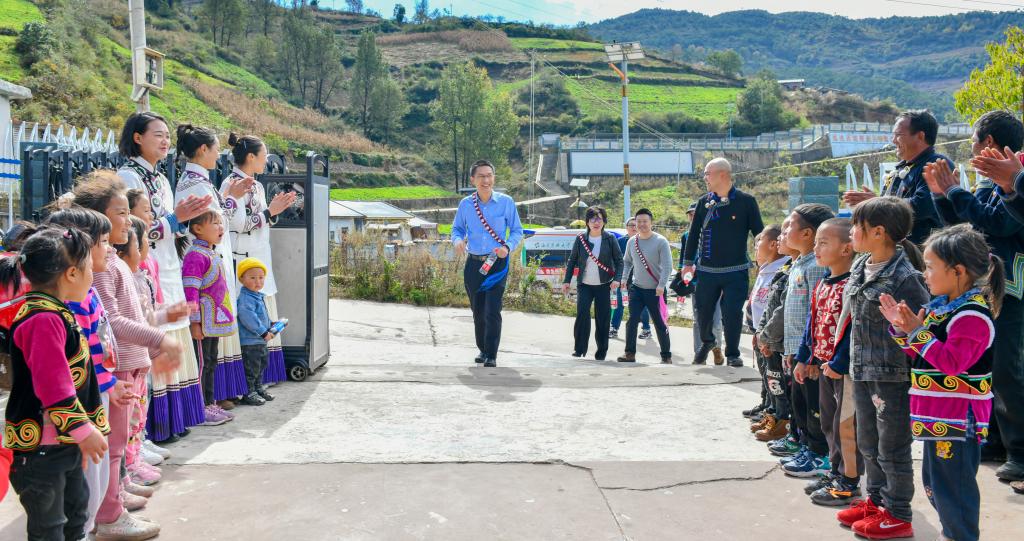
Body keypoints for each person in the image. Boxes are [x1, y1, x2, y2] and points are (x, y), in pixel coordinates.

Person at [72, 171, 183, 539]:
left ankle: (113, 498)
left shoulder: (113, 261)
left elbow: (132, 316)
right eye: (120, 213)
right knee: (114, 445)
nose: (129, 220)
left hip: (129, 364)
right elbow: (115, 321)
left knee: (120, 443)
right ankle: (109, 513)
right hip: (116, 368)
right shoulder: (104, 266)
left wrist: (155, 337)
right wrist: (160, 340)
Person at [879, 224, 1001, 541]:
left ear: (958, 271)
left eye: (931, 267)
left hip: (958, 417)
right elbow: (924, 357)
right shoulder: (943, 309)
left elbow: (952, 364)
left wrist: (917, 332)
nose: (925, 274)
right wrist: (904, 330)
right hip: (939, 415)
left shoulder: (972, 316)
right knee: (936, 484)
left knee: (954, 489)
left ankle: (960, 535)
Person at [924, 110, 1024, 488]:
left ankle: (1020, 451)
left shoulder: (1017, 176)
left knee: (1008, 370)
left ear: (989, 143)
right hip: (986, 287)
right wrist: (942, 195)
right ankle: (996, 438)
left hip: (1012, 288)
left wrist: (955, 191)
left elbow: (999, 224)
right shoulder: (990, 182)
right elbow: (968, 227)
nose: (970, 149)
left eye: (973, 142)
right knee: (986, 366)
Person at [2, 227, 110, 541]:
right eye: (88, 268)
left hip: (59, 444)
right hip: (41, 450)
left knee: (75, 518)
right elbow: (53, 385)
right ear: (71, 274)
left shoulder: (56, 313)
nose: (92, 275)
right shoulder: (43, 319)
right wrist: (82, 430)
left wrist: (77, 436)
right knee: (49, 529)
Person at [836, 196, 929, 541]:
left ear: (878, 232)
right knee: (868, 443)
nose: (851, 232)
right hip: (862, 369)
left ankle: (898, 513)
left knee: (892, 448)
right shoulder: (861, 265)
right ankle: (876, 503)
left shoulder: (906, 277)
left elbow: (920, 328)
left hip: (891, 376)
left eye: (856, 226)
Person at [117, 112, 211, 442]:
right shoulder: (128, 176)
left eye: (167, 135)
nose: (165, 140)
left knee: (174, 334)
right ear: (137, 137)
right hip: (146, 264)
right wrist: (174, 220)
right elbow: (132, 229)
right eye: (158, 134)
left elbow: (171, 224)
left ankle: (175, 419)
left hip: (168, 263)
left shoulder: (160, 178)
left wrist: (184, 221)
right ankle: (153, 428)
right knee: (155, 336)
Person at [174, 124, 252, 410]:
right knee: (205, 353)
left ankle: (213, 397)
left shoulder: (200, 181)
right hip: (204, 270)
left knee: (212, 352)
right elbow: (208, 223)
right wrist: (230, 198)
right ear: (203, 149)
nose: (219, 155)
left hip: (212, 263)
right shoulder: (194, 185)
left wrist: (229, 197)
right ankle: (206, 402)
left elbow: (217, 221)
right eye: (216, 149)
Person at [795, 218, 863, 507]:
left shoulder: (852, 285)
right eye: (815, 243)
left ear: (847, 248)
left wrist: (839, 362)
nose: (816, 249)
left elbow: (853, 330)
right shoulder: (824, 282)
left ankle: (849, 480)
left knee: (845, 426)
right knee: (828, 422)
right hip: (824, 366)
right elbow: (812, 324)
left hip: (843, 370)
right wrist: (804, 358)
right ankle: (835, 472)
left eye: (823, 243)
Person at [224, 133, 296, 387]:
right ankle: (246, 380)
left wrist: (273, 212)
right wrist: (269, 212)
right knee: (248, 314)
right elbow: (238, 224)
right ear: (251, 157)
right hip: (243, 259)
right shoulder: (232, 184)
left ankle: (264, 376)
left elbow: (262, 219)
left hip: (258, 255)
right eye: (264, 156)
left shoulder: (256, 185)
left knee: (262, 310)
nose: (266, 161)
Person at [682, 157, 764, 367]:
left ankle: (733, 354)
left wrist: (763, 260)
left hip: (736, 269)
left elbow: (759, 234)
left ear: (723, 175)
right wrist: (687, 263)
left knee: (732, 313)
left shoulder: (746, 201)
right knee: (703, 311)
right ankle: (708, 341)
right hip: (707, 270)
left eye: (707, 174)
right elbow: (693, 235)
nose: (705, 178)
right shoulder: (703, 202)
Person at [450, 160, 524, 368]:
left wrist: (507, 247)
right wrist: (457, 241)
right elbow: (457, 229)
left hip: (497, 263)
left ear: (494, 178)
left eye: (489, 175)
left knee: (492, 310)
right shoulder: (466, 205)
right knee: (478, 311)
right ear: (472, 180)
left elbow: (517, 230)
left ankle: (492, 354)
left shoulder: (506, 202)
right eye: (481, 176)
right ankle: (482, 349)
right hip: (474, 264)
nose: (486, 180)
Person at [779, 203, 834, 478]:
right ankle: (805, 446)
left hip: (810, 353)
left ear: (807, 233)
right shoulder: (799, 263)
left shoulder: (815, 267)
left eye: (790, 225)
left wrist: (810, 354)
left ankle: (819, 453)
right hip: (797, 349)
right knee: (799, 402)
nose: (785, 230)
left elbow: (816, 315)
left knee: (815, 406)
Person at [842, 110, 949, 245]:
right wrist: (874, 203)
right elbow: (890, 208)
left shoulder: (935, 165)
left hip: (923, 249)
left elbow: (922, 206)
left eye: (898, 135)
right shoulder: (904, 166)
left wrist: (879, 202)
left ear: (920, 136)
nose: (893, 140)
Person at [182, 210, 238, 425]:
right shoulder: (195, 255)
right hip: (203, 324)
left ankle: (210, 402)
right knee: (202, 364)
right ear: (197, 229)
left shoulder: (211, 253)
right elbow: (191, 291)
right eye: (215, 223)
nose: (220, 228)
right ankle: (201, 408)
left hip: (212, 323)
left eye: (221, 223)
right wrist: (195, 322)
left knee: (211, 361)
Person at [755, 218, 800, 447]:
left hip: (780, 340)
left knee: (781, 384)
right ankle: (774, 415)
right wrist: (761, 332)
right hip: (769, 336)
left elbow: (784, 309)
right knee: (773, 380)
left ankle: (784, 422)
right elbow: (769, 306)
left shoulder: (800, 270)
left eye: (786, 231)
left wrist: (767, 335)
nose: (781, 237)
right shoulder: (786, 268)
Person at [561, 206, 623, 361]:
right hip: (584, 285)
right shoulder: (581, 238)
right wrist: (566, 281)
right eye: (593, 219)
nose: (596, 222)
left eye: (600, 219)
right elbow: (572, 261)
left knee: (603, 319)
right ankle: (579, 349)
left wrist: (617, 279)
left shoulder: (610, 239)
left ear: (604, 221)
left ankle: (601, 352)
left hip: (604, 285)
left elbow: (619, 261)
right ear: (587, 222)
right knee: (582, 315)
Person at [616, 208, 673, 364]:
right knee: (632, 320)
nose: (641, 224)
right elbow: (627, 262)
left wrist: (662, 285)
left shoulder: (660, 241)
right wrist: (624, 278)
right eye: (638, 221)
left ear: (651, 223)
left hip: (656, 290)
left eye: (645, 221)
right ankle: (629, 354)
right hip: (637, 289)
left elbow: (668, 266)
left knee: (659, 323)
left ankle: (666, 356)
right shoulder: (632, 242)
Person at [745, 225, 787, 421]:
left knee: (774, 375)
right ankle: (766, 404)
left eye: (759, 241)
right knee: (765, 373)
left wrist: (766, 333)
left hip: (772, 335)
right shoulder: (765, 268)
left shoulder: (782, 268)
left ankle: (776, 412)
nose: (756, 247)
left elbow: (775, 307)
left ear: (772, 244)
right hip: (759, 330)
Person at [679, 202, 724, 364]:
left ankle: (717, 349)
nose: (693, 217)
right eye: (690, 215)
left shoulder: (717, 233)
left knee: (716, 320)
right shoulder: (686, 236)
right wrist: (684, 278)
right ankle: (700, 354)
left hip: (715, 282)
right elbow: (683, 259)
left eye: (695, 214)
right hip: (696, 283)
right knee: (698, 320)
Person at [235, 257, 282, 405]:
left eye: (261, 278)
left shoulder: (257, 296)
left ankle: (258, 388)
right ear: (241, 279)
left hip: (259, 341)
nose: (258, 281)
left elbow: (260, 317)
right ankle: (249, 393)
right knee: (251, 368)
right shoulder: (246, 298)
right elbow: (248, 317)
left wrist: (272, 325)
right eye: (253, 278)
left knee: (261, 366)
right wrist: (263, 332)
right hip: (250, 342)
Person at [610, 217, 651, 339]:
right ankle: (614, 328)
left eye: (635, 224)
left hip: (640, 280)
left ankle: (646, 329)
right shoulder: (620, 242)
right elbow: (615, 260)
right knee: (619, 304)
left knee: (642, 306)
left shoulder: (644, 241)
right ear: (626, 227)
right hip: (622, 279)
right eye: (631, 225)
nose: (634, 227)